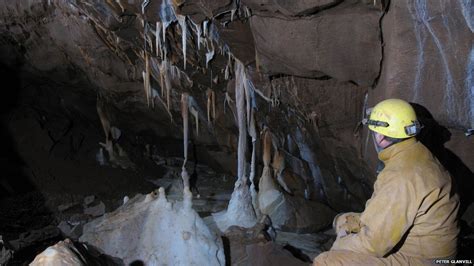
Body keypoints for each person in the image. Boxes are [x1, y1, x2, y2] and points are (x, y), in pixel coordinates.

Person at [313, 99, 459, 265]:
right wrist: (345, 227)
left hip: (424, 260)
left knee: (326, 261)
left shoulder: (400, 176)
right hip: (431, 248)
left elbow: (372, 244)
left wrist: (340, 246)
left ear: (381, 137)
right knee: (343, 220)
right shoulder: (418, 154)